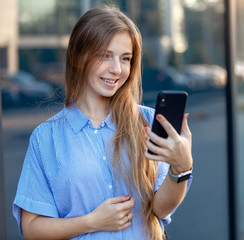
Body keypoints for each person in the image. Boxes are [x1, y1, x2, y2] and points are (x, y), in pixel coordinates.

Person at [13, 4, 193, 240]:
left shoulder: (148, 122)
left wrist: (181, 168)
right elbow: (32, 229)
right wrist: (91, 221)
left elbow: (160, 209)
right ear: (78, 57)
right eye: (104, 55)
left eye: (125, 58)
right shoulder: (47, 137)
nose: (117, 69)